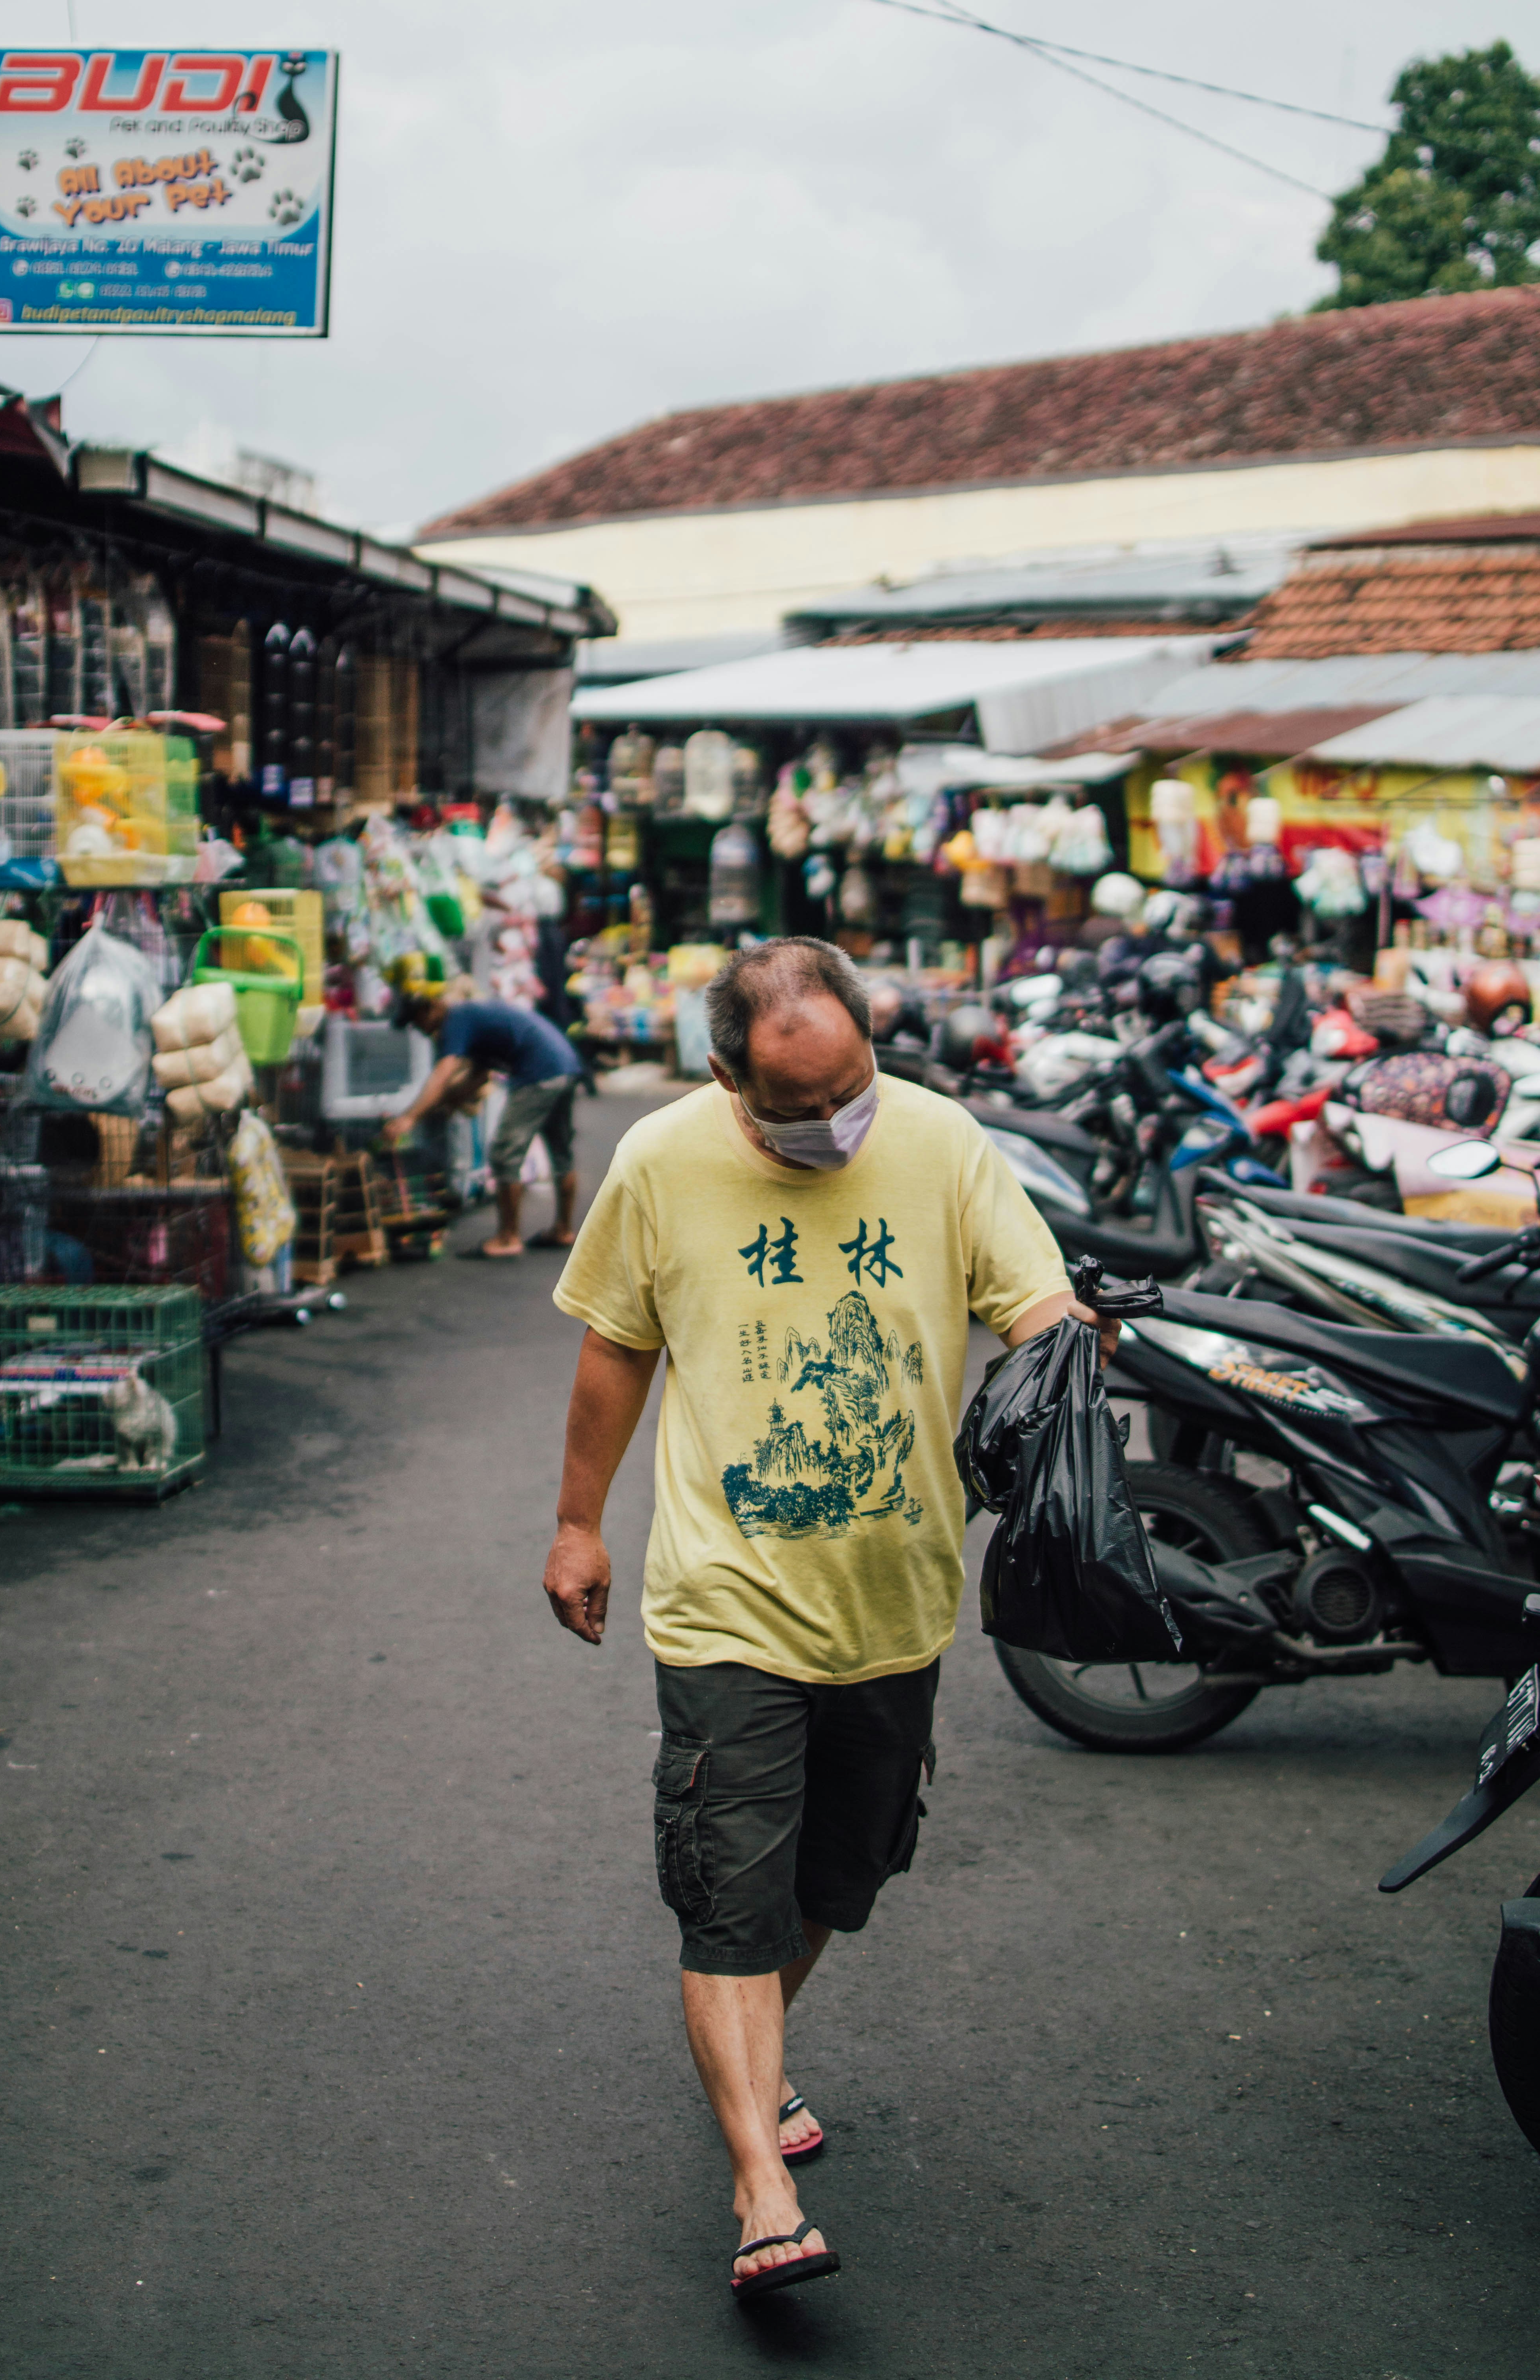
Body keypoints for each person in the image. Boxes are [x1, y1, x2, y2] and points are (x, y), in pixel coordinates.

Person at [540, 936, 1114, 2302]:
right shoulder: (666, 1158)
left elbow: (1034, 1300)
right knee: (731, 1890)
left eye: (850, 1091)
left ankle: (753, 2054)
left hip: (896, 1599)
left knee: (832, 1885)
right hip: (725, 1594)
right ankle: (761, 2182)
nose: (832, 1128)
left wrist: (1065, 1351)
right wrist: (577, 1519)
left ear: (872, 1039)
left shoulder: (945, 1142)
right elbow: (616, 1341)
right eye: (796, 1112)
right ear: (729, 1075)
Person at [384, 990, 582, 1259]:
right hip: (565, 1065)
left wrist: (409, 1117)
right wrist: (449, 1104)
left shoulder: (455, 1020)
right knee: (561, 1151)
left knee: (504, 1154)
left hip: (540, 1072)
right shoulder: (471, 1018)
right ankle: (563, 1229)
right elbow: (479, 1074)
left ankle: (508, 1237)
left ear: (433, 1008)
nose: (419, 1030)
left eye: (417, 1021)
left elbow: (444, 1072)